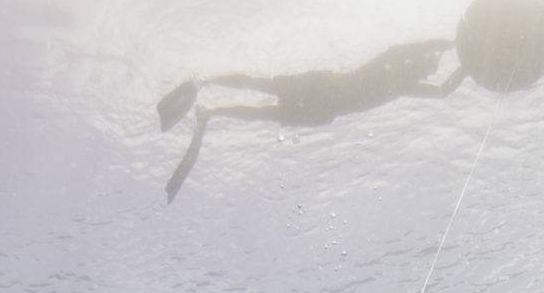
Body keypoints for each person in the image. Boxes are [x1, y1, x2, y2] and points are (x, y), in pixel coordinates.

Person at [157, 40, 467, 202]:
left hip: (325, 111)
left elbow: (442, 90)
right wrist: (456, 43)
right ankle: (205, 80)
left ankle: (211, 111)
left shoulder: (405, 86)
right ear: (420, 61)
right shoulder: (393, 60)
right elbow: (418, 49)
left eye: (429, 72)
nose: (427, 74)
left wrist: (467, 66)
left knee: (265, 112)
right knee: (265, 85)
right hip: (325, 87)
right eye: (428, 67)